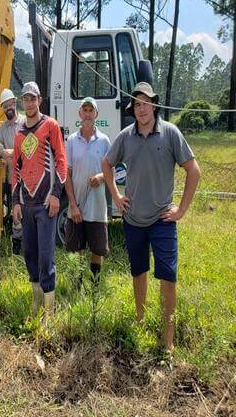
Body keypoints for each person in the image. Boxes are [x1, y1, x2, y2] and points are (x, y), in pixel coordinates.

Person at [101, 82, 200, 352]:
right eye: (137, 103)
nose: (141, 108)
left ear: (154, 105)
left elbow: (194, 171)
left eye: (146, 103)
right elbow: (106, 164)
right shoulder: (125, 136)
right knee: (139, 272)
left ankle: (168, 340)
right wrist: (116, 196)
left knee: (168, 277)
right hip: (133, 219)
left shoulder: (170, 134)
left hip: (162, 219)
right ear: (132, 108)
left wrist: (180, 210)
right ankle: (141, 320)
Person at [12, 82, 67, 318]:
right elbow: (15, 169)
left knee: (46, 255)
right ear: (22, 102)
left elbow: (62, 161)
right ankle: (36, 303)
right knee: (29, 254)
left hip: (46, 203)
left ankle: (50, 309)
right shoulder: (19, 133)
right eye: (26, 99)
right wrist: (15, 201)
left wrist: (56, 194)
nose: (30, 103)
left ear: (40, 100)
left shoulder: (50, 126)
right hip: (26, 203)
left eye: (33, 98)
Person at [64, 97, 111, 286]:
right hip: (77, 207)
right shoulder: (71, 141)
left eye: (91, 110)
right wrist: (73, 205)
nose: (88, 114)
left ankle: (94, 288)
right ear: (79, 114)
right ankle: (76, 287)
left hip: (98, 208)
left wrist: (101, 177)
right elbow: (66, 175)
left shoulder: (105, 141)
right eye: (84, 110)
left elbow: (112, 171)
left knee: (97, 250)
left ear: (96, 114)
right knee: (76, 249)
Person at [0, 88, 25, 254]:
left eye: (10, 104)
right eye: (5, 106)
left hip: (27, 178)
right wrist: (4, 152)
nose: (8, 108)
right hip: (11, 179)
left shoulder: (25, 123)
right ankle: (17, 242)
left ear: (15, 103)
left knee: (27, 210)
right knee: (15, 212)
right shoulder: (3, 128)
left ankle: (27, 241)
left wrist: (14, 151)